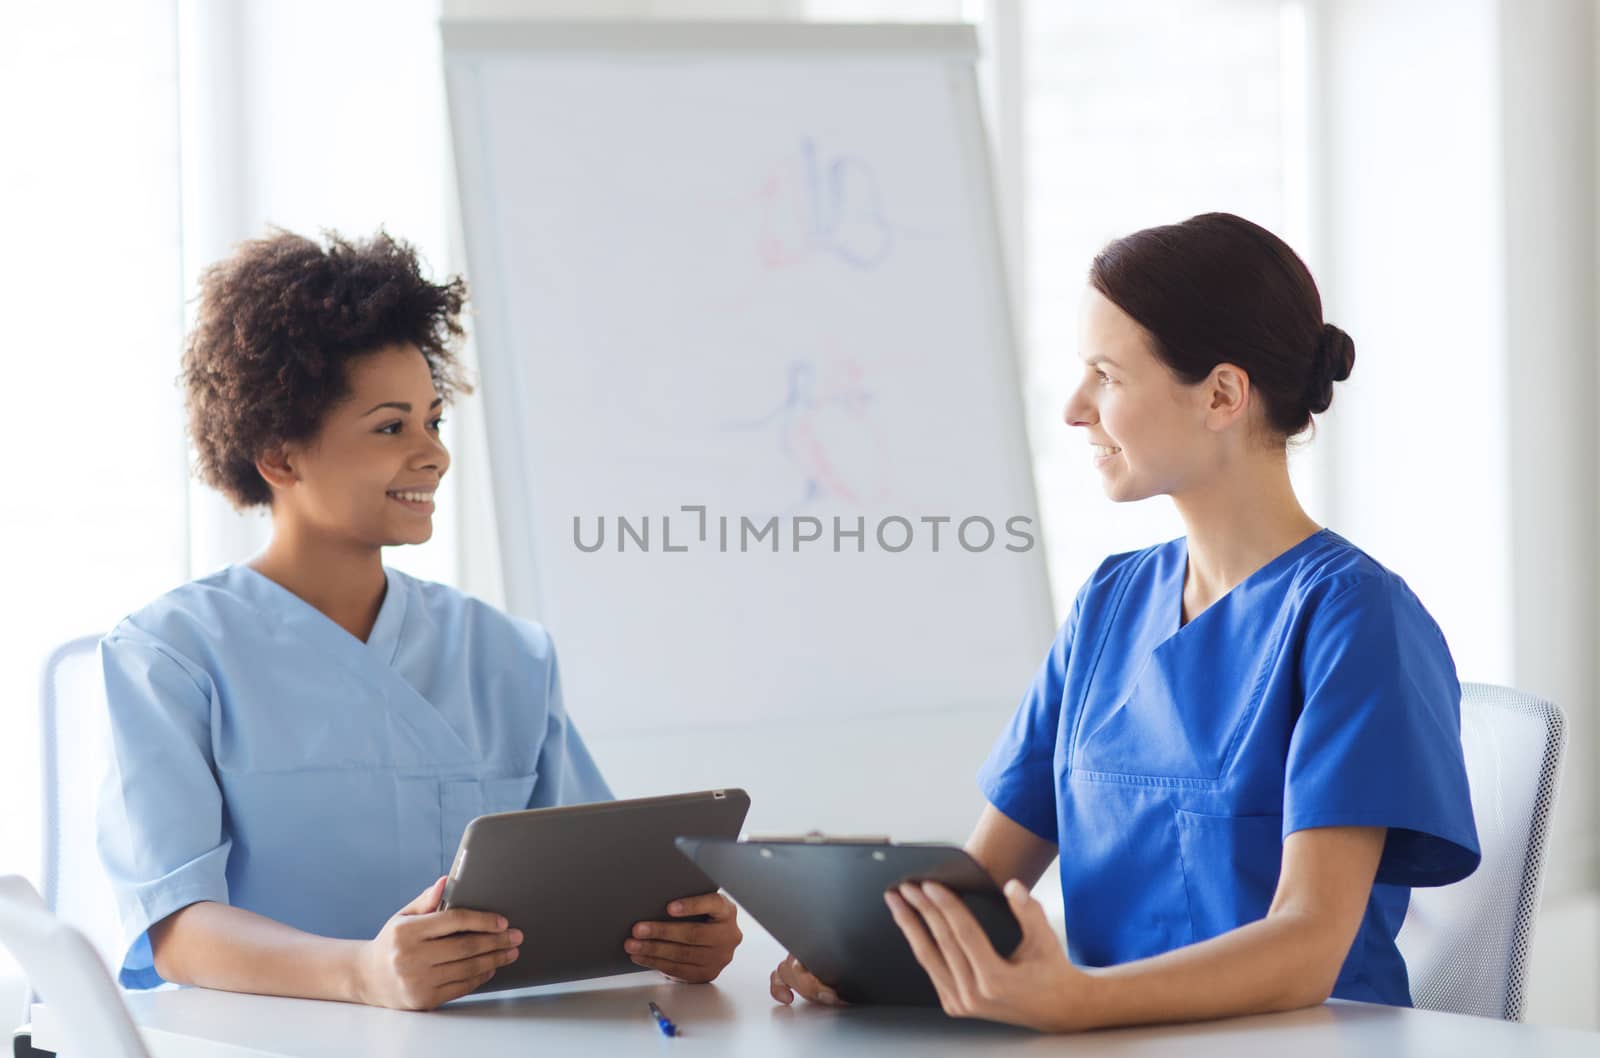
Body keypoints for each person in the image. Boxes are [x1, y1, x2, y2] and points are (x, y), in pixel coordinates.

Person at [769, 212, 1479, 1030]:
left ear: (1222, 394)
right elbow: (984, 880)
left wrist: (1080, 1001)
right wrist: (866, 949)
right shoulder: (1109, 603)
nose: (1075, 408)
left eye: (1105, 375)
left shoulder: (1355, 619)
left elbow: (1308, 945)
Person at [98, 230, 741, 1010]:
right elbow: (174, 928)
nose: (433, 454)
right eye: (391, 426)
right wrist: (361, 974)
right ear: (280, 455)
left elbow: (594, 882)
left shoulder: (508, 655)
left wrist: (676, 933)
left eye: (435, 422)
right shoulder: (170, 656)